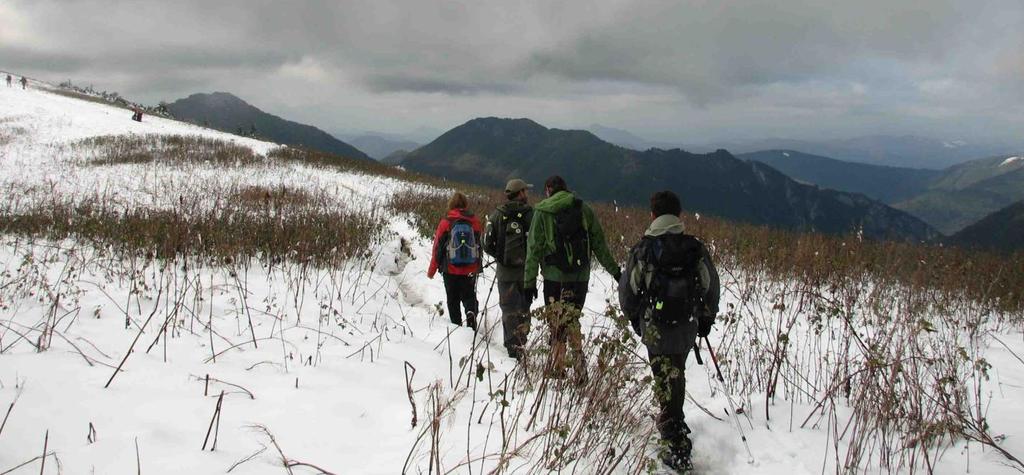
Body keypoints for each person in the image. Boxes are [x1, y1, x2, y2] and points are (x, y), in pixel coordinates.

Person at [618, 190, 720, 472]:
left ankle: (674, 439)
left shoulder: (643, 248)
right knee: (675, 372)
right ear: (679, 215)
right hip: (686, 327)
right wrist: (706, 318)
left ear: (653, 215)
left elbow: (628, 292)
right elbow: (711, 285)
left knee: (664, 375)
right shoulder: (694, 248)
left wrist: (636, 321)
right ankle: (672, 425)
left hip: (655, 328)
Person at [523, 175, 621, 378]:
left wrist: (529, 282)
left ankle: (558, 368)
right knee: (573, 318)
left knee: (557, 323)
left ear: (548, 189)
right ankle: (579, 366)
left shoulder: (542, 211)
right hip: (580, 278)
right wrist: (616, 272)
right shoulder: (584, 209)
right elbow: (599, 245)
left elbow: (533, 250)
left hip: (554, 278)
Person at [482, 179, 534, 359]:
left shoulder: (497, 215)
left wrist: (500, 257)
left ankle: (513, 347)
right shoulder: (531, 215)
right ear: (520, 193)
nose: (527, 194)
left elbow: (486, 243)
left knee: (509, 310)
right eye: (525, 191)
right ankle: (522, 341)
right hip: (527, 273)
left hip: (505, 274)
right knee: (524, 308)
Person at [427, 192, 483, 331]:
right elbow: (479, 244)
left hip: (450, 269)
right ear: (465, 204)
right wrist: (477, 266)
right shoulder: (474, 221)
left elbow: (437, 248)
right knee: (469, 295)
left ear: (451, 204)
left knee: (453, 299)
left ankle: (456, 327)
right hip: (470, 268)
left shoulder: (446, 222)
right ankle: (471, 313)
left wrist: (432, 270)